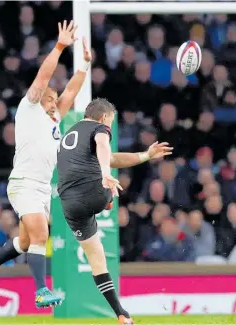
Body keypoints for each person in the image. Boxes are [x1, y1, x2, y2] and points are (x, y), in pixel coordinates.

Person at [0, 20, 92, 308]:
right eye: (50, 98)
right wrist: (61, 46)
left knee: (26, 242)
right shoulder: (28, 110)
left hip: (40, 188)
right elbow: (43, 77)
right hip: (24, 183)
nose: (54, 102)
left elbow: (72, 93)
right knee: (42, 234)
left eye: (54, 99)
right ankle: (41, 291)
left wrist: (85, 66)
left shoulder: (53, 120)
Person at [57, 97, 173, 324]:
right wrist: (105, 173)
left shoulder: (70, 133)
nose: (109, 127)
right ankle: (107, 200)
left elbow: (111, 157)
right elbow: (102, 146)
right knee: (110, 192)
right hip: (94, 192)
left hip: (69, 205)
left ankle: (121, 313)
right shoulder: (100, 129)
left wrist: (146, 155)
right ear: (103, 118)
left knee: (97, 260)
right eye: (109, 122)